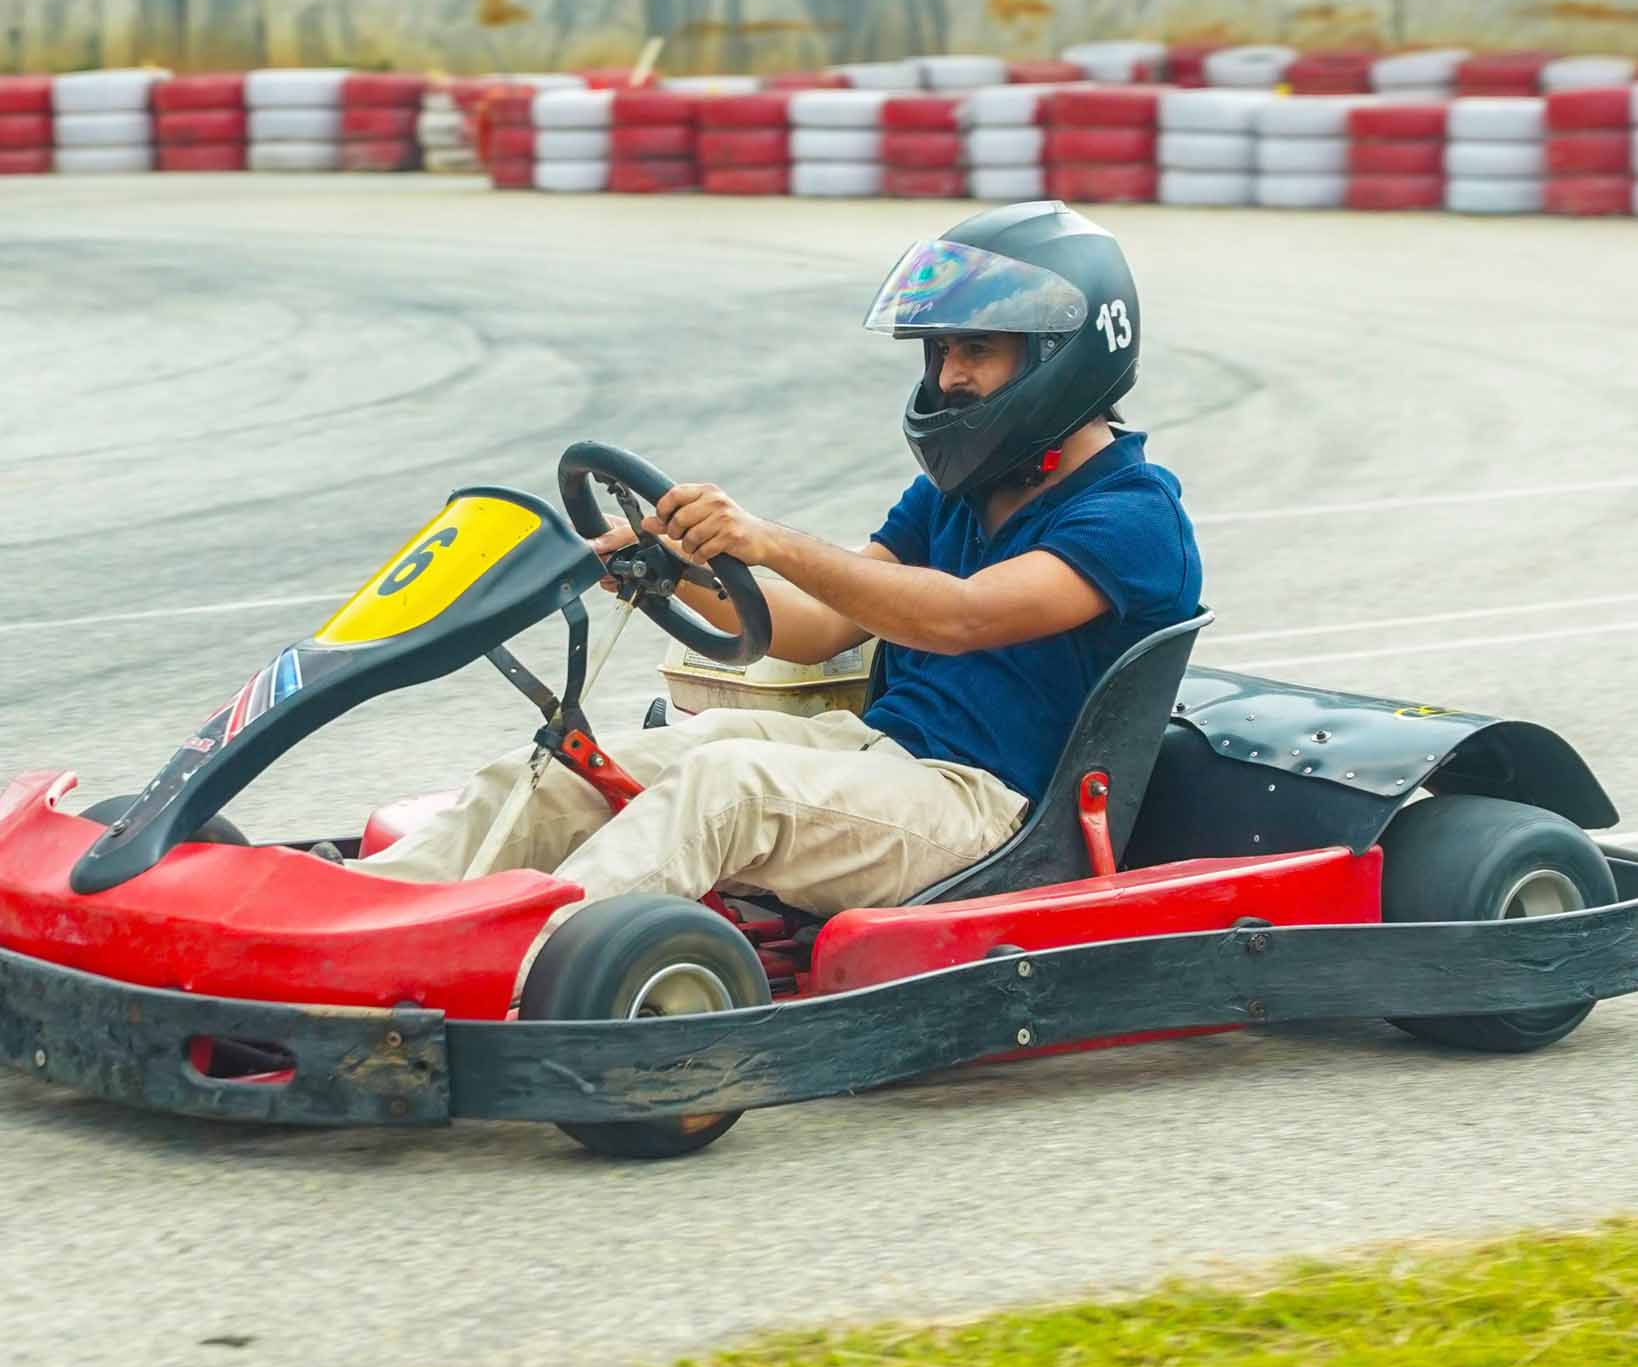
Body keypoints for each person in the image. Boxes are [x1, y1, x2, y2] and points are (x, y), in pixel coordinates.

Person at [362, 200, 1204, 928]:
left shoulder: (1132, 516)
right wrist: (673, 569)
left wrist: (767, 540)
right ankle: (356, 921)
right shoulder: (962, 493)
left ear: (1062, 355)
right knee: (568, 769)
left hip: (989, 814)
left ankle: (504, 960)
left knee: (728, 787)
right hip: (873, 751)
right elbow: (819, 629)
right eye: (942, 350)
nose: (949, 376)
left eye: (976, 350)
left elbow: (961, 617)